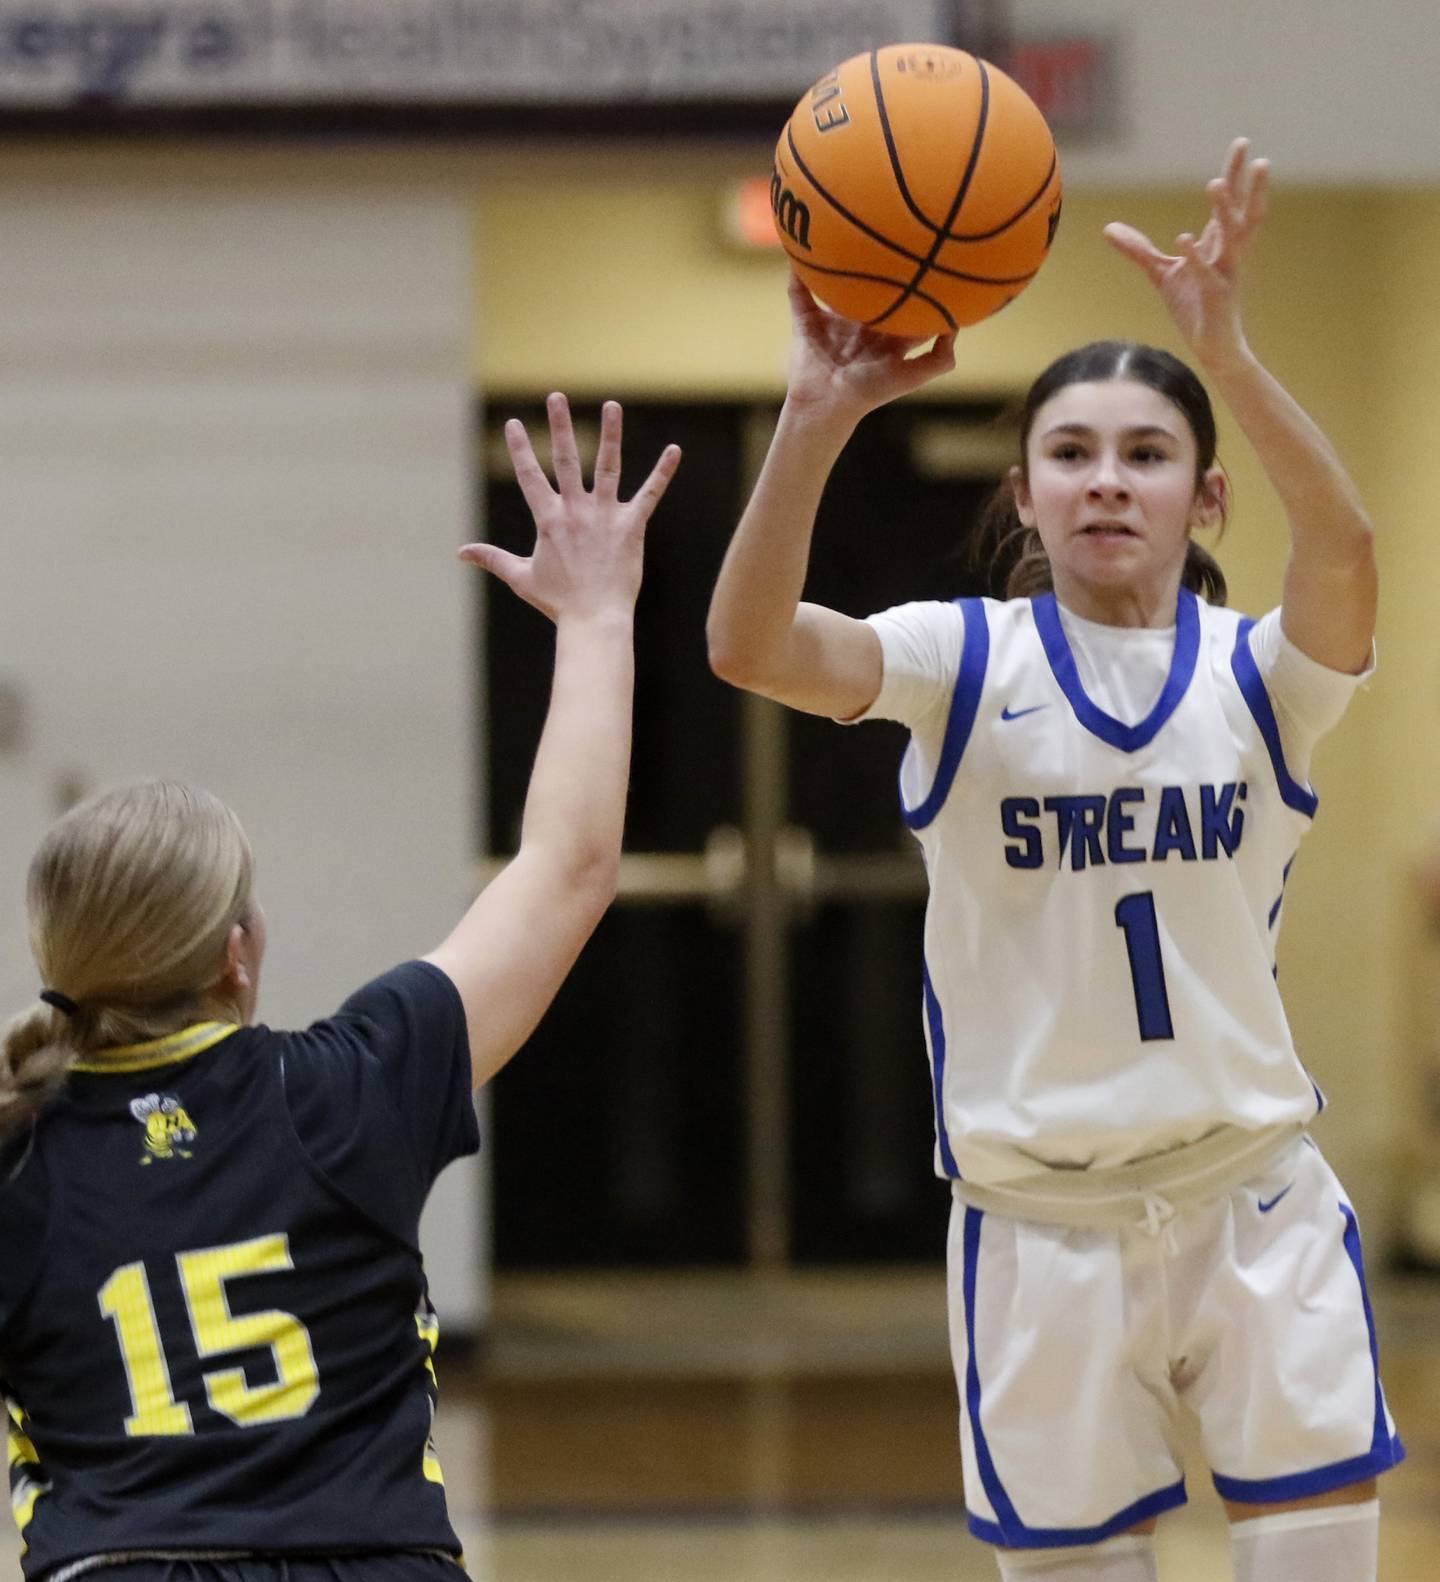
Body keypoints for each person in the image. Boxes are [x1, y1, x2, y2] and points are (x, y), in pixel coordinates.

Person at [707, 140, 1401, 1582]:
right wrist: (814, 419)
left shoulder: (1261, 675)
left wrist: (1231, 353)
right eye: (1070, 454)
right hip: (1041, 1230)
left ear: (1205, 497)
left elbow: (1344, 549)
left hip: (1255, 1204)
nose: (1107, 481)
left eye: (1148, 454)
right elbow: (749, 645)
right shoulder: (962, 661)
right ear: (1021, 492)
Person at [0, 394, 680, 1582]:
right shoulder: (350, 1084)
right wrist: (597, 614)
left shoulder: (19, 1154)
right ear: (234, 949)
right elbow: (569, 862)